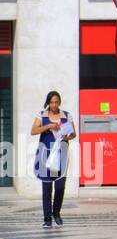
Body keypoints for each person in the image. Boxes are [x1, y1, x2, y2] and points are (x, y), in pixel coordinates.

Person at [31, 91, 76, 228]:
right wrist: (49, 126)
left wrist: (66, 136)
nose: (54, 105)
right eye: (52, 102)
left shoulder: (66, 115)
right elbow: (33, 131)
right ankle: (47, 218)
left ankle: (56, 213)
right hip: (45, 154)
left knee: (60, 186)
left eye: (56, 102)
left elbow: (73, 134)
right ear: (48, 103)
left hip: (61, 154)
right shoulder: (42, 115)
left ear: (59, 102)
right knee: (46, 188)